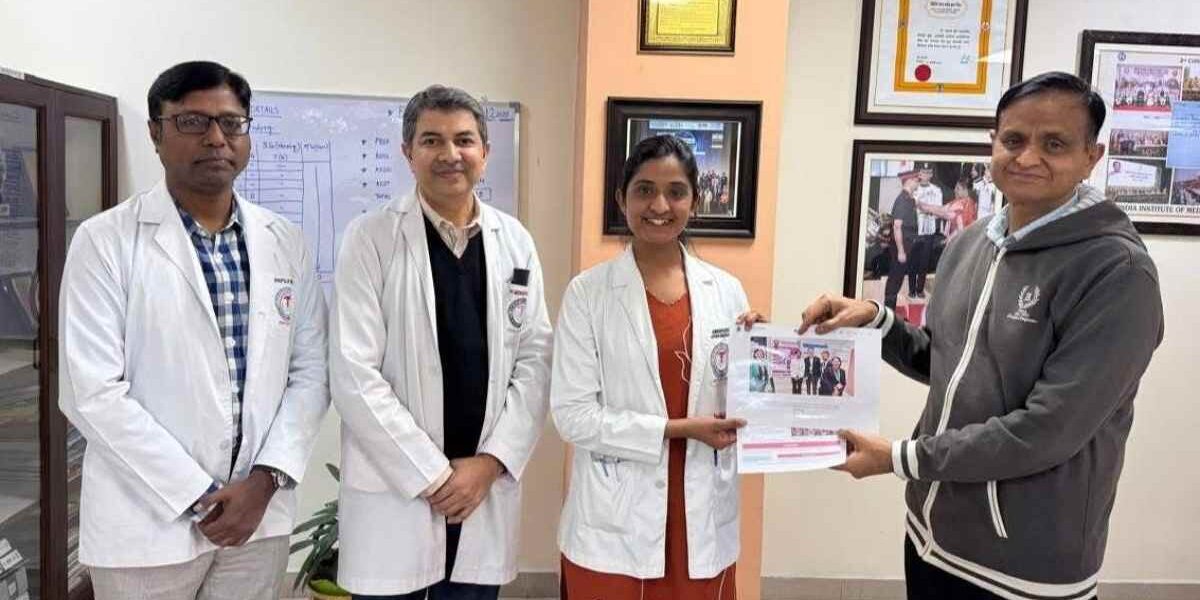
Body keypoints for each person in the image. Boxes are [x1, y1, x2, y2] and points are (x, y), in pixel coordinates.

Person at [798, 71, 1164, 600]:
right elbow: (950, 362)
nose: (1028, 157)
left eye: (1054, 144)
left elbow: (1046, 430)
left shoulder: (1117, 273)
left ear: (1092, 156)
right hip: (930, 534)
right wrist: (876, 319)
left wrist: (900, 458)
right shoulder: (971, 243)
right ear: (992, 143)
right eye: (1014, 139)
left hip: (1024, 568)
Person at [58, 61, 329, 600]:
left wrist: (264, 481)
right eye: (192, 122)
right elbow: (91, 392)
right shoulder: (104, 241)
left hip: (257, 518)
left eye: (231, 123)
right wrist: (197, 494)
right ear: (155, 133)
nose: (215, 138)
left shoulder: (284, 240)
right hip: (147, 521)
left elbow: (311, 370)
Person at [329, 85, 553, 599]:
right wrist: (433, 474)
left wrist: (490, 464)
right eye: (432, 140)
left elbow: (535, 360)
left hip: (481, 488)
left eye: (464, 140)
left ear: (485, 152)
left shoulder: (515, 241)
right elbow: (353, 373)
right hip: (399, 489)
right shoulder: (370, 238)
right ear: (408, 153)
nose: (450, 154)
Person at [552, 134, 763, 600]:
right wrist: (677, 430)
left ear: (695, 201)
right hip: (614, 519)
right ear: (621, 199)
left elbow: (742, 406)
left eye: (676, 191)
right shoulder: (587, 294)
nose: (660, 205)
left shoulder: (727, 291)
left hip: (700, 516)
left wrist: (765, 357)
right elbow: (573, 416)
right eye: (644, 190)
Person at [883, 170, 919, 309]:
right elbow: (897, 226)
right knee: (895, 279)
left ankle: (890, 309)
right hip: (901, 246)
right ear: (909, 181)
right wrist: (901, 251)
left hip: (906, 244)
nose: (917, 182)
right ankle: (888, 311)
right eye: (916, 180)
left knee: (897, 279)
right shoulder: (903, 200)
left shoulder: (908, 199)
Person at [910, 163, 945, 299]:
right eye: (923, 172)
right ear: (919, 174)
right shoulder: (914, 189)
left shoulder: (936, 190)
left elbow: (938, 210)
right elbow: (911, 208)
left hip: (929, 229)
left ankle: (920, 289)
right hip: (915, 230)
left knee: (924, 261)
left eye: (928, 172)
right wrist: (927, 208)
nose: (925, 175)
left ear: (931, 174)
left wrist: (924, 208)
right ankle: (912, 289)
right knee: (913, 260)